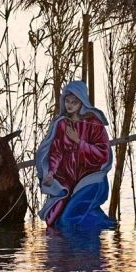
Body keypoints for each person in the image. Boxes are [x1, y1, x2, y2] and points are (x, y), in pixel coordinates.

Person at [35, 81, 115, 230]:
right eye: (67, 101)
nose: (69, 105)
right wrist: (51, 172)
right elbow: (56, 151)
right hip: (69, 182)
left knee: (67, 221)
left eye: (74, 102)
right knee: (55, 221)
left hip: (91, 182)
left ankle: (99, 231)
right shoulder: (62, 124)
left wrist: (78, 141)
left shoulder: (94, 124)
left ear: (82, 102)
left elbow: (103, 155)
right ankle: (90, 239)